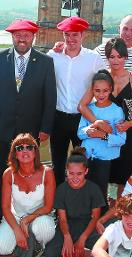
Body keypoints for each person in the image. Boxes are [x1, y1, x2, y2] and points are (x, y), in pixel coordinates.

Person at [0, 19, 57, 217]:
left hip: (31, 131)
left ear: (33, 37)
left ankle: (32, 212)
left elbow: (50, 98)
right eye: (18, 34)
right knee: (3, 171)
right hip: (2, 127)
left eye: (26, 34)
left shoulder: (46, 62)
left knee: (29, 171)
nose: (22, 38)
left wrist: (45, 127)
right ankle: (1, 213)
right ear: (12, 37)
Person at [78, 37, 132, 198]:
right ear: (107, 58)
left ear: (126, 57)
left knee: (123, 178)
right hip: (102, 138)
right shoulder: (102, 79)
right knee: (100, 177)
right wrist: (96, 123)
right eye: (112, 57)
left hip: (126, 135)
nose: (116, 60)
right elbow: (82, 106)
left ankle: (119, 215)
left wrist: (128, 124)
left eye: (119, 56)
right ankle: (101, 214)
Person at [48, 16, 106, 185]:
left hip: (83, 118)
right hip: (58, 118)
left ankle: (83, 204)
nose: (70, 39)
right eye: (67, 35)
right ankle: (59, 204)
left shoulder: (93, 58)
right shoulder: (53, 56)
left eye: (75, 35)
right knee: (57, 163)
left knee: (84, 163)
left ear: (83, 36)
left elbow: (106, 83)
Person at [43, 146, 105, 257]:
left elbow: (95, 217)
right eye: (71, 173)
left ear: (86, 171)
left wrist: (82, 240)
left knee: (109, 246)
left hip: (89, 226)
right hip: (68, 225)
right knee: (51, 255)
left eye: (79, 174)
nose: (75, 177)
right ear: (66, 171)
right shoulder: (61, 189)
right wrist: (67, 237)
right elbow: (63, 219)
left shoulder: (94, 189)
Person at [0, 133, 56, 256]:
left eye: (29, 147)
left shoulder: (47, 172)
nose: (25, 151)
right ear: (15, 154)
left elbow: (48, 207)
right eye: (20, 148)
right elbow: (5, 207)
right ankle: (23, 239)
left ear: (35, 151)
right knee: (1, 248)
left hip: (39, 216)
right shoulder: (8, 173)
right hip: (15, 217)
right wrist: (17, 230)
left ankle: (36, 245)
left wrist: (27, 219)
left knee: (45, 229)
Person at [77, 70, 126, 199]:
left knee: (101, 195)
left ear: (111, 89)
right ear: (92, 90)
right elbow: (80, 132)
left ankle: (102, 217)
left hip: (105, 159)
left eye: (105, 90)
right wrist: (89, 130)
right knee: (85, 193)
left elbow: (121, 139)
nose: (101, 94)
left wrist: (102, 135)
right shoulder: (89, 108)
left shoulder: (117, 111)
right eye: (97, 90)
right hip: (87, 157)